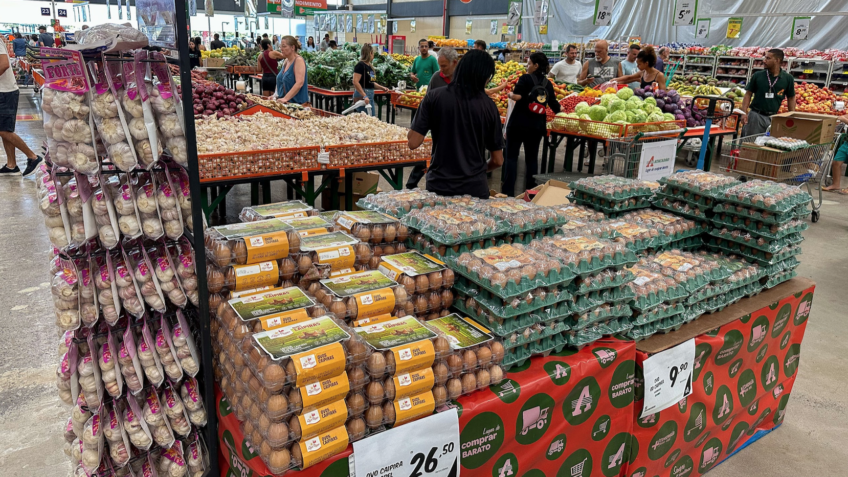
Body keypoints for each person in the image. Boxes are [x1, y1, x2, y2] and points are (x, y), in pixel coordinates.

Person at [407, 49, 504, 199]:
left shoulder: (434, 97)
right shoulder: (489, 106)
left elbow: (413, 142)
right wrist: (478, 171)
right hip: (475, 189)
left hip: (439, 185)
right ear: (484, 77)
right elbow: (498, 160)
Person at [502, 52, 561, 196]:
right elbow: (555, 106)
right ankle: (530, 193)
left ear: (536, 65)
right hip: (536, 127)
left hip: (518, 124)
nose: (527, 66)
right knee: (532, 159)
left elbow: (517, 97)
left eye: (529, 64)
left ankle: (508, 192)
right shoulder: (548, 84)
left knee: (511, 157)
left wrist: (510, 95)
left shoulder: (525, 78)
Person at [0, 40, 42, 175]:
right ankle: (11, 165)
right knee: (5, 129)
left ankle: (33, 157)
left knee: (3, 130)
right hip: (4, 91)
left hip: (5, 92)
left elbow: (4, 64)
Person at [739, 49, 795, 136]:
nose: (764, 61)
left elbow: (791, 97)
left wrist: (792, 116)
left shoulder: (787, 78)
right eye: (765, 58)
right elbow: (748, 94)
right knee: (750, 142)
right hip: (755, 116)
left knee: (767, 143)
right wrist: (744, 113)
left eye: (768, 58)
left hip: (774, 117)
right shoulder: (758, 75)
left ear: (777, 60)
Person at [352, 44, 389, 116]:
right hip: (363, 94)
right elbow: (355, 82)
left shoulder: (370, 67)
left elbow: (372, 83)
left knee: (371, 117)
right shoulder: (360, 65)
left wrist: (382, 88)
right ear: (370, 53)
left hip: (370, 95)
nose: (373, 55)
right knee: (366, 118)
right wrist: (364, 96)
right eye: (373, 53)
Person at [276, 35, 309, 105]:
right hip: (285, 104)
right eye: (280, 46)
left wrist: (285, 98)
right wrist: (275, 95)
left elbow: (299, 83)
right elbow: (281, 81)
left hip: (297, 105)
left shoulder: (298, 60)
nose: (281, 49)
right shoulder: (286, 61)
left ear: (292, 47)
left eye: (284, 46)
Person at [825, 114, 848, 192]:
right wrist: (838, 118)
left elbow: (844, 119)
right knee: (836, 163)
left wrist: (844, 120)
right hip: (847, 143)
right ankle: (836, 185)